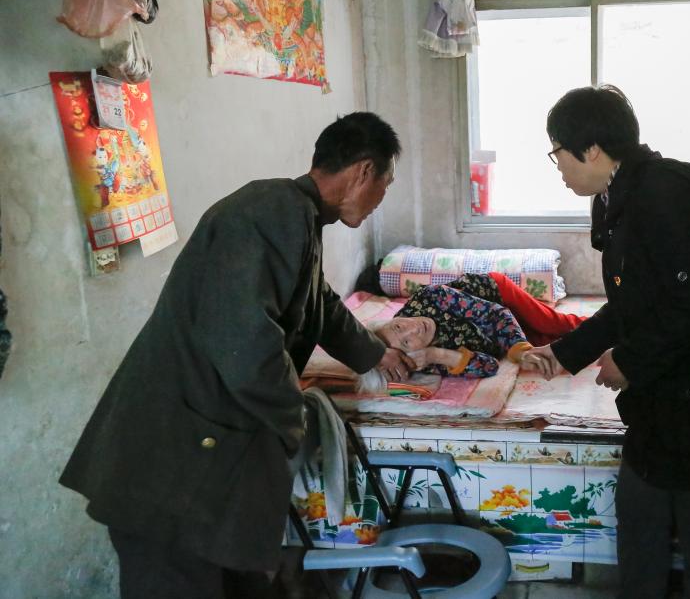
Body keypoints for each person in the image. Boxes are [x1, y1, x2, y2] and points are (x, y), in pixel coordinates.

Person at [59, 112, 415, 599]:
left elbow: (320, 302)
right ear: (363, 172)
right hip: (173, 463)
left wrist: (373, 354)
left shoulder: (299, 215)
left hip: (200, 459)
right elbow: (246, 343)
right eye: (385, 186)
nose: (380, 201)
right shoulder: (270, 212)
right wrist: (295, 419)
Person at [528, 85, 690, 599]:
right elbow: (631, 300)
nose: (557, 165)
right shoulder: (616, 198)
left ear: (592, 150)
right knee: (639, 535)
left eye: (557, 152)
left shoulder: (666, 192)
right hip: (661, 403)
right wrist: (564, 352)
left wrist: (629, 361)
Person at [373, 272, 586, 378]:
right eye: (407, 342)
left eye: (397, 327)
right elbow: (490, 366)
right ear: (412, 356)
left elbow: (495, 316)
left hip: (498, 296)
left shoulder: (431, 296)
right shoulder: (427, 359)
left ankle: (604, 327)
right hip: (494, 337)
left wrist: (519, 349)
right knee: (547, 346)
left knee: (554, 325)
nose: (414, 328)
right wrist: (437, 355)